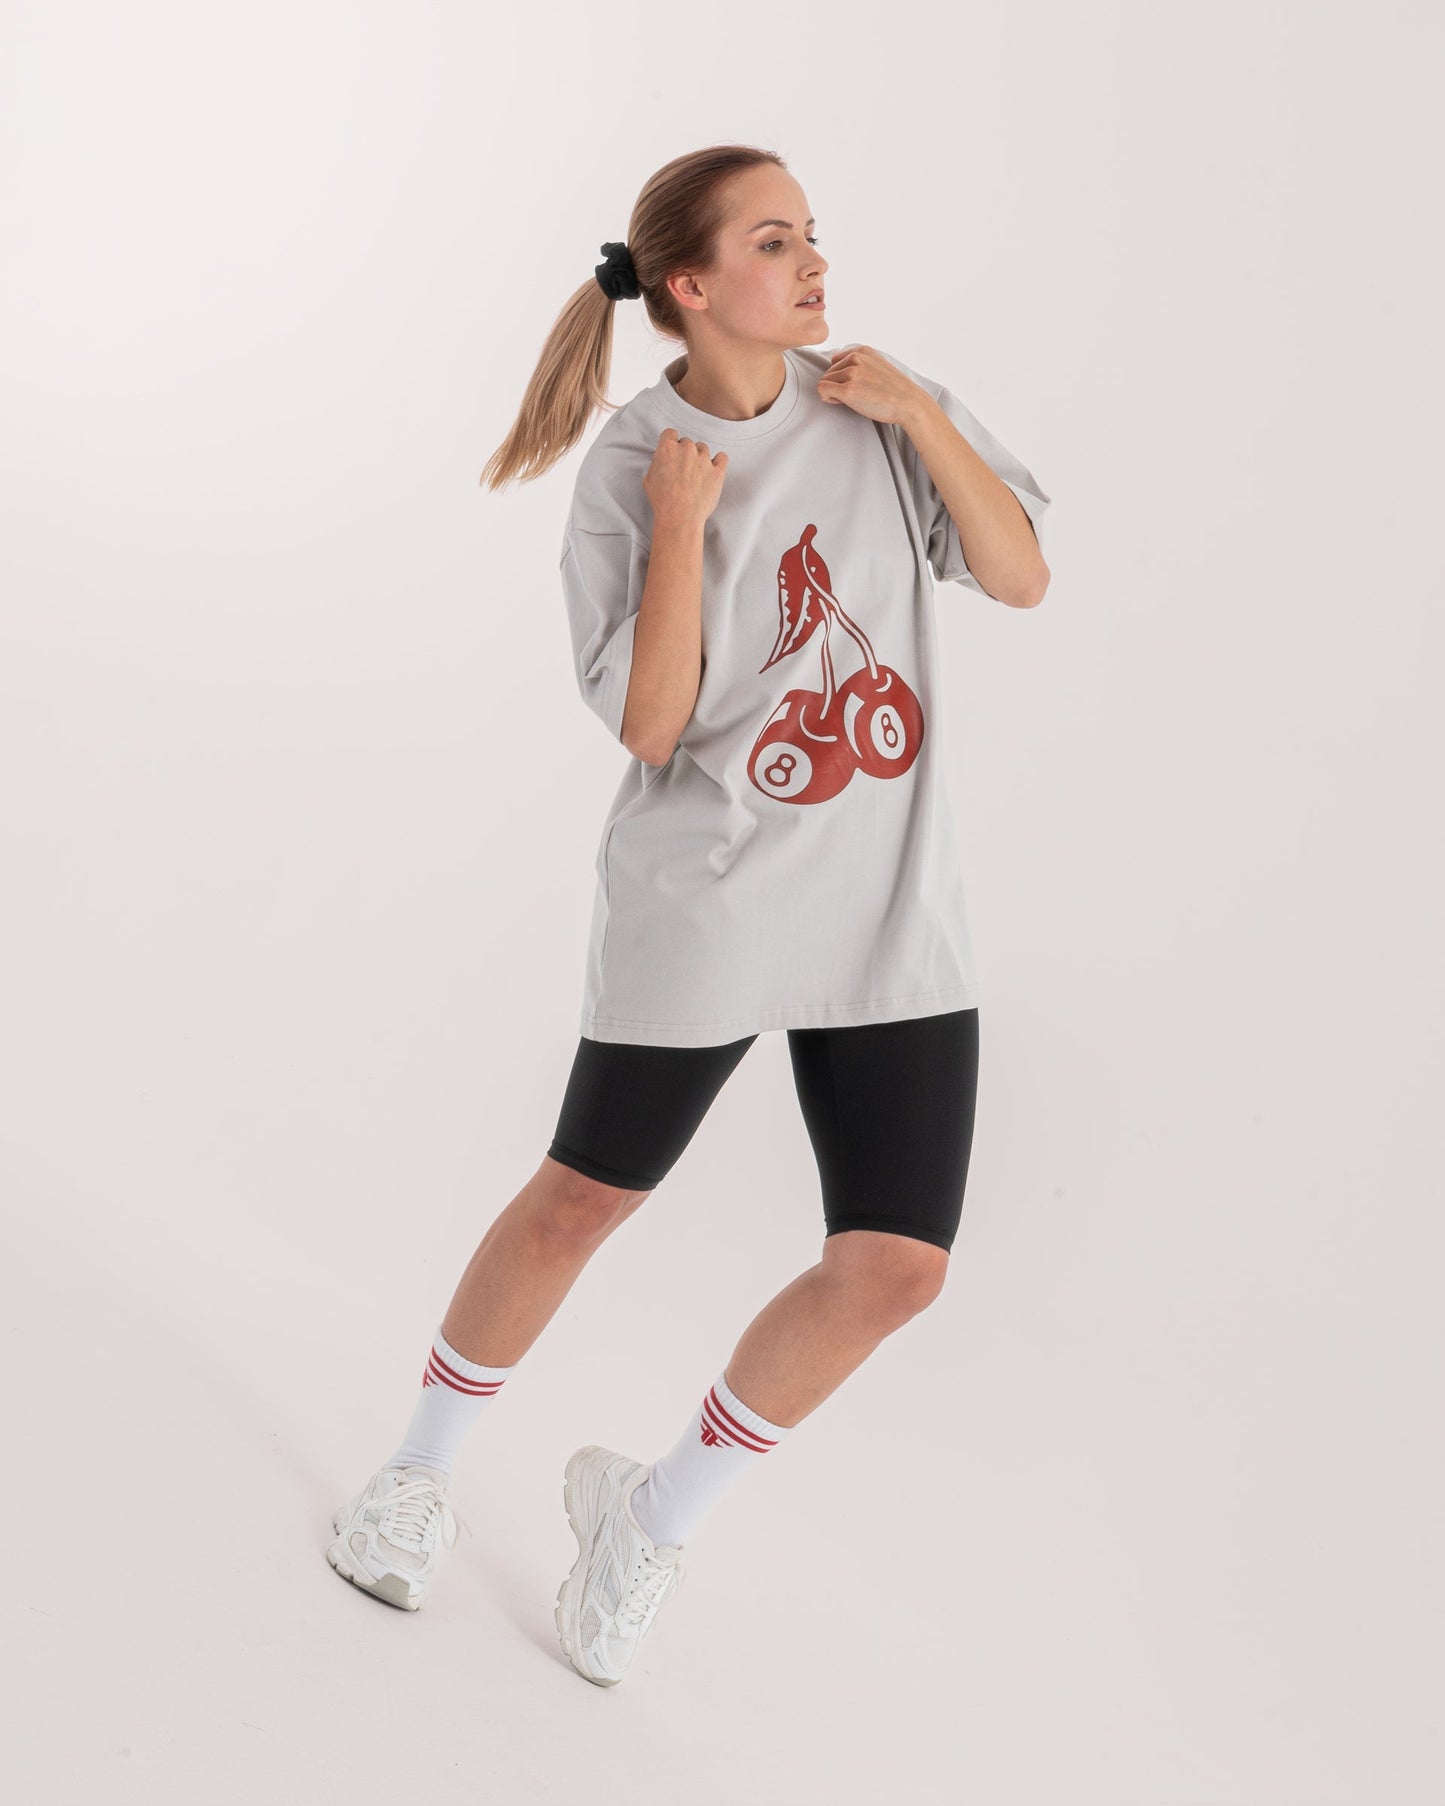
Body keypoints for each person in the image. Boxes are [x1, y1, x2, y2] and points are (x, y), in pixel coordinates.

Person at [326, 144, 1051, 1689]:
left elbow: (1019, 574)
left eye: (812, 236)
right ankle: (415, 1471)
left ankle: (649, 1517)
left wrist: (921, 417)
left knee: (897, 1265)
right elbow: (653, 724)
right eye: (774, 241)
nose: (813, 263)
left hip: (887, 907)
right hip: (705, 897)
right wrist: (677, 525)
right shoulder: (629, 464)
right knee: (579, 1200)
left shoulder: (876, 407)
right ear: (691, 286)